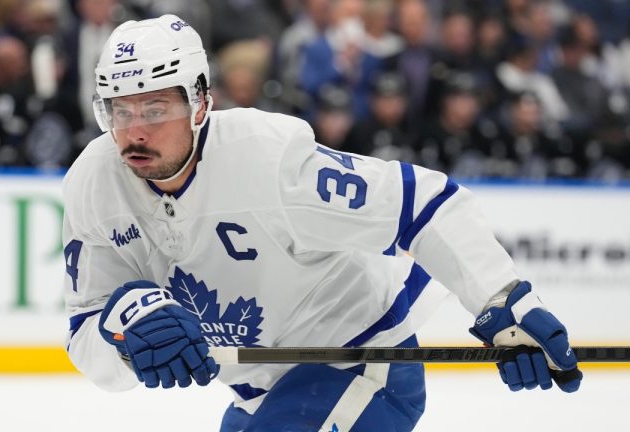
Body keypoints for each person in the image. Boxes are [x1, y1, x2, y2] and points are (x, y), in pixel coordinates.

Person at [61, 15, 582, 432]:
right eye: (119, 112)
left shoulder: (268, 162)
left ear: (200, 103)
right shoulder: (94, 182)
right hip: (257, 393)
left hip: (361, 362)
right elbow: (87, 330)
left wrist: (502, 299)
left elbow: (423, 201)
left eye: (154, 109)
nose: (134, 132)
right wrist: (123, 331)